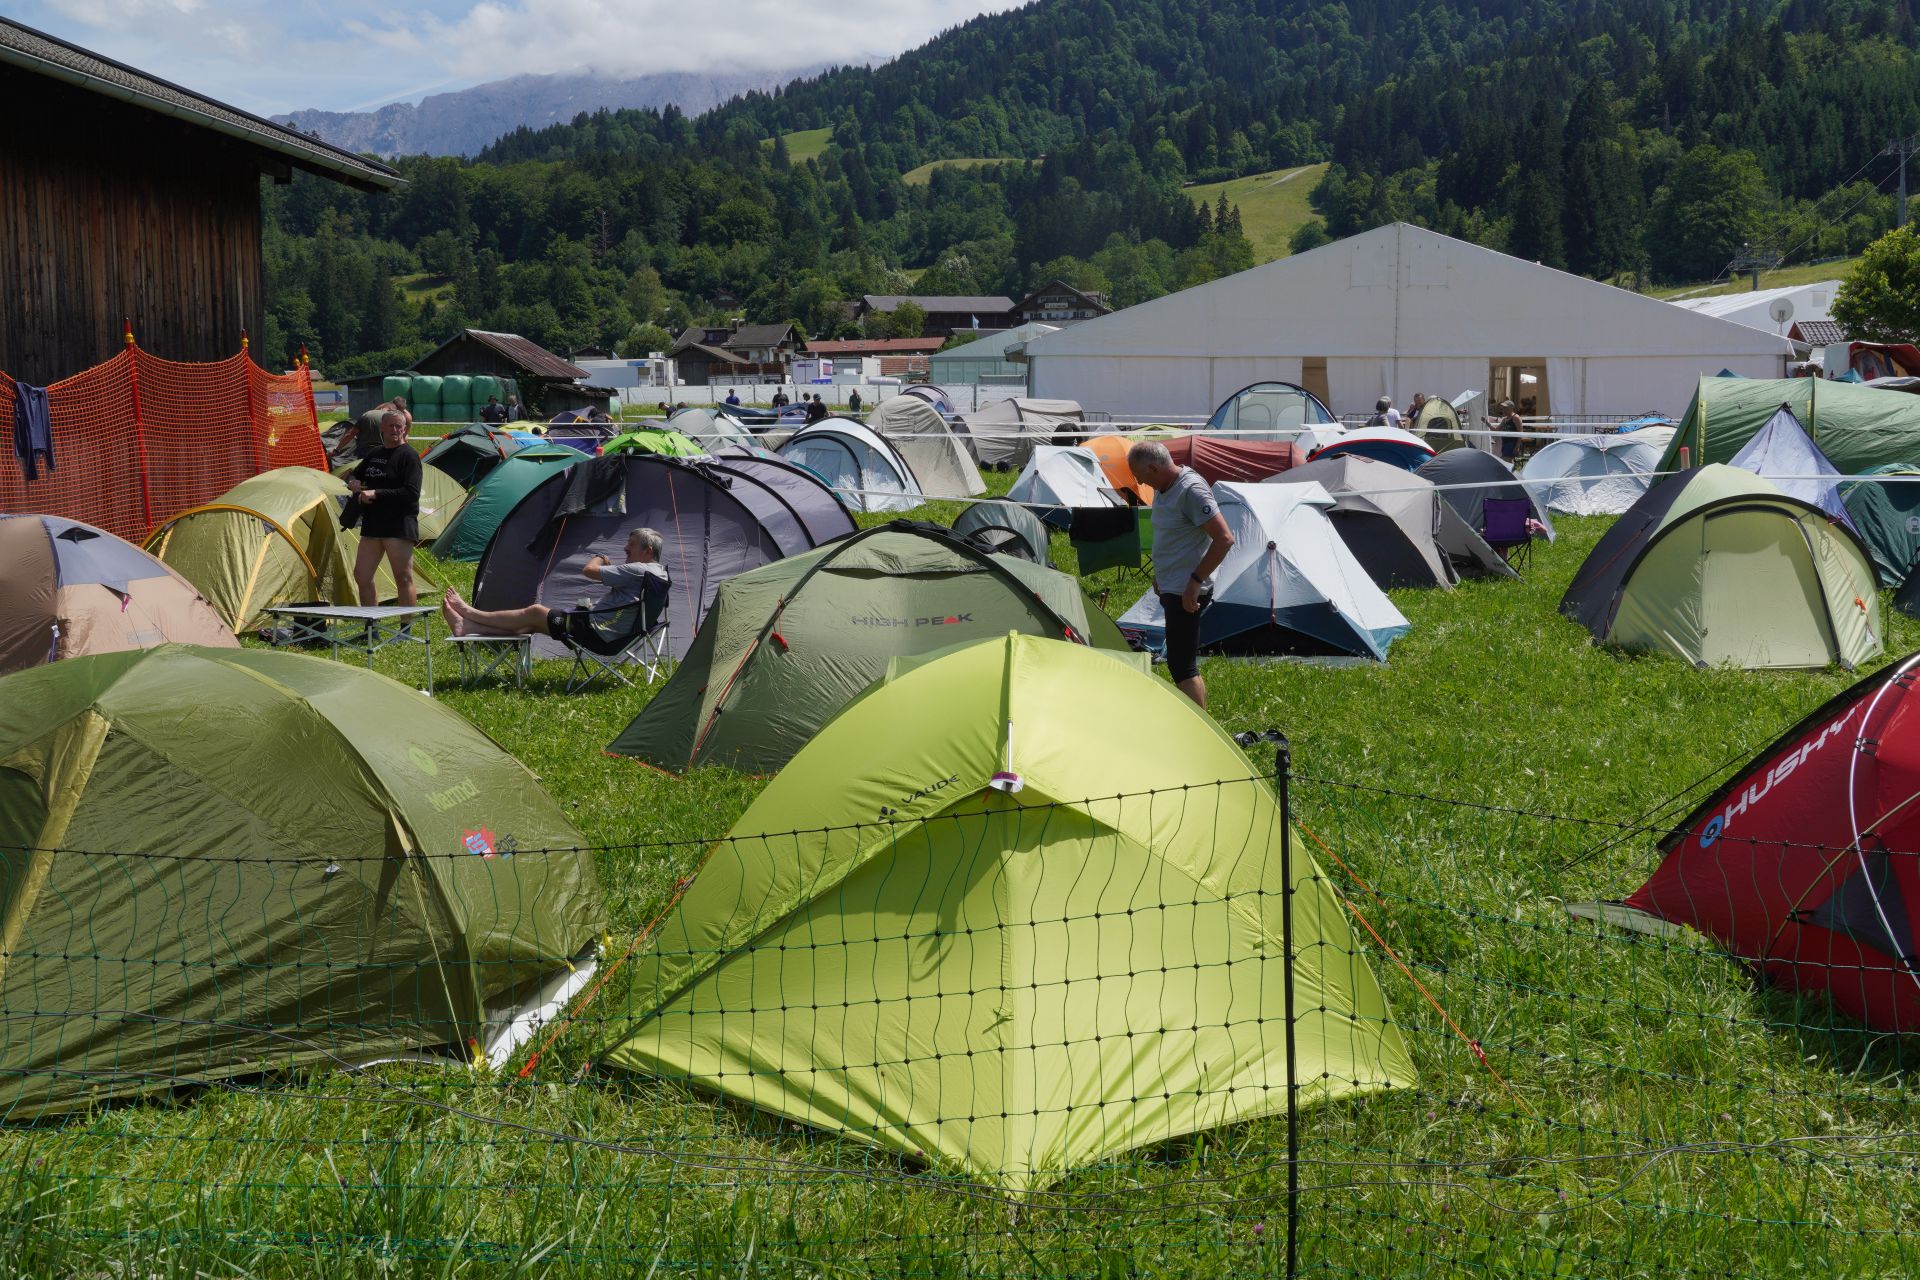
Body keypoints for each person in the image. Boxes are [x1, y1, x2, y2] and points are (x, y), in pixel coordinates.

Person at [1127, 440, 1233, 709]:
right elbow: (1170, 535)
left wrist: (1194, 583)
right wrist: (1160, 574)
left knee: (1181, 665)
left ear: (1153, 468)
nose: (1140, 483)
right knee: (1182, 662)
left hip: (1186, 590)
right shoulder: (1164, 487)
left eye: (1140, 476)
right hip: (1172, 586)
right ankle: (1201, 720)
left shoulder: (1191, 490)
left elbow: (1224, 539)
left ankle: (1200, 727)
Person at [440, 528, 667, 640]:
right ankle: (467, 627)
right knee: (530, 624)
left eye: (632, 544)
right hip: (616, 633)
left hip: (597, 631)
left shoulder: (638, 569)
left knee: (535, 611)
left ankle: (470, 613)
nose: (626, 548)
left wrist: (600, 557)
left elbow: (589, 570)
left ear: (647, 551)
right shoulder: (659, 574)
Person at [344, 411, 422, 608]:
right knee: (362, 575)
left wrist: (376, 493)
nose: (395, 430)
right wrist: (353, 481)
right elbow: (354, 474)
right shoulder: (375, 453)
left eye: (399, 426)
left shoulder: (409, 456)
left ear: (404, 429)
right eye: (391, 426)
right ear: (382, 428)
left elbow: (411, 493)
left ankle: (406, 624)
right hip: (373, 524)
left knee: (403, 576)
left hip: (398, 525)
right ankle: (371, 622)